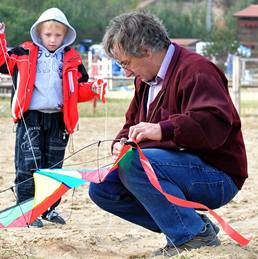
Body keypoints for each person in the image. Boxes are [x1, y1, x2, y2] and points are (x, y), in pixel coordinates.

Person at [88, 11, 247, 256]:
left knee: (137, 164)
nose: (126, 72)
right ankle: (195, 228)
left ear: (145, 50)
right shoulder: (145, 79)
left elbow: (214, 123)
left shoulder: (198, 70)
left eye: (126, 63)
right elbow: (133, 122)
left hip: (218, 175)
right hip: (171, 168)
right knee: (102, 189)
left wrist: (162, 129)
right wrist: (121, 141)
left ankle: (191, 236)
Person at [0, 8, 105, 228]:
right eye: (48, 35)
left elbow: (77, 89)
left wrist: (94, 89)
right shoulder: (23, 52)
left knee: (54, 167)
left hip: (59, 119)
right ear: (39, 34)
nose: (53, 40)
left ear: (66, 35)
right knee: (28, 165)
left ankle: (49, 209)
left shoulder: (72, 58)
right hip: (30, 117)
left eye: (58, 35)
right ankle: (25, 210)